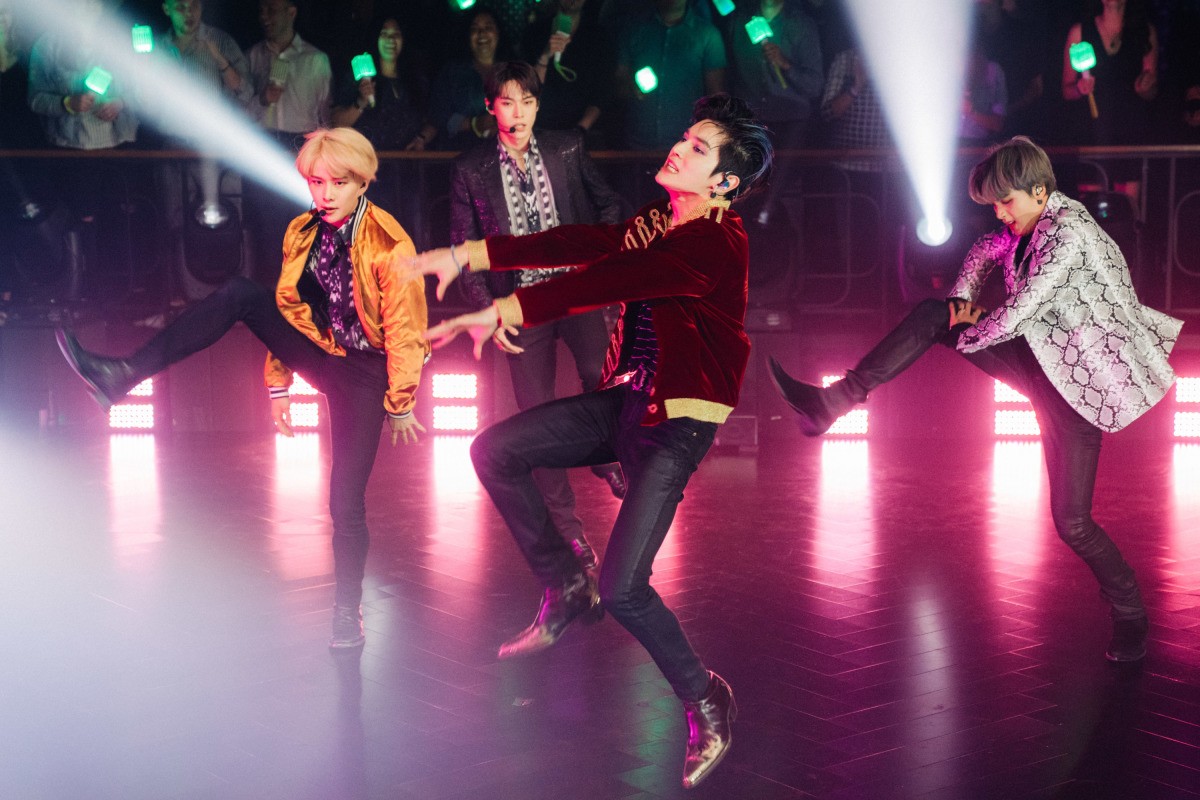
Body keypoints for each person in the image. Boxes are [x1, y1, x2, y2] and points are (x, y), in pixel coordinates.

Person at [407, 93, 772, 789]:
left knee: (627, 590)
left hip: (675, 424)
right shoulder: (659, 223)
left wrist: (508, 307)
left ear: (725, 181)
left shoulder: (714, 242)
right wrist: (470, 252)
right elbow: (582, 245)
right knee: (494, 450)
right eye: (685, 136)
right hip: (627, 401)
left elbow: (612, 278)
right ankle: (566, 582)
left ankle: (707, 699)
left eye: (699, 149)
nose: (679, 148)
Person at [769, 136, 1182, 665]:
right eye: (993, 204)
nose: (1000, 213)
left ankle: (1130, 613)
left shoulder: (1069, 234)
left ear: (1039, 191)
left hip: (1077, 394)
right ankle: (832, 403)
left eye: (1006, 201)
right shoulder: (1024, 226)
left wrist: (966, 331)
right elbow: (985, 251)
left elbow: (1022, 309)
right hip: (1036, 362)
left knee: (1072, 523)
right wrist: (958, 306)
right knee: (932, 314)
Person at [55, 127, 430, 651]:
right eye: (317, 182)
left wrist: (401, 403)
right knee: (241, 294)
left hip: (370, 372)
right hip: (327, 354)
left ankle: (348, 612)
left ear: (362, 183)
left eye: (338, 184)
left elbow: (408, 331)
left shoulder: (390, 244)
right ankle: (122, 374)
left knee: (344, 501)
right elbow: (294, 309)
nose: (324, 194)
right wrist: (279, 385)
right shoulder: (303, 230)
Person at [452, 60, 627, 574]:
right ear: (491, 107)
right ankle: (570, 534)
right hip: (520, 304)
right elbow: (465, 248)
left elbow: (609, 204)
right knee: (539, 419)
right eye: (508, 102)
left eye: (527, 101)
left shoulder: (566, 147)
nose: (520, 112)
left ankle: (607, 456)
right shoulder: (471, 169)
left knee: (602, 374)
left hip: (574, 290)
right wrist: (488, 311)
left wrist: (599, 258)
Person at [615, 0, 726, 151]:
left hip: (687, 146)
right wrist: (630, 87)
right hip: (636, 141)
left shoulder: (708, 35)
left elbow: (716, 95)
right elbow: (619, 80)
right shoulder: (634, 30)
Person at [330, 16, 436, 152]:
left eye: (396, 34)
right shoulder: (358, 77)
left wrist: (421, 138)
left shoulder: (417, 80)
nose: (391, 40)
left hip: (407, 159)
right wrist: (360, 102)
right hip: (367, 159)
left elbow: (433, 121)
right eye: (384, 34)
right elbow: (336, 123)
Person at [521, 0, 614, 141]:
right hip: (538, 130)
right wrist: (545, 56)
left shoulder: (599, 37)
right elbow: (525, 88)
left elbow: (603, 92)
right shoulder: (534, 32)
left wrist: (580, 130)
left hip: (582, 133)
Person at [428, 7, 504, 150]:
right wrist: (474, 124)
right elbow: (439, 116)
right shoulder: (452, 72)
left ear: (498, 33)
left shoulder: (513, 72)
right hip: (460, 153)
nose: (482, 33)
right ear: (468, 36)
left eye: (488, 27)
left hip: (504, 155)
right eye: (475, 29)